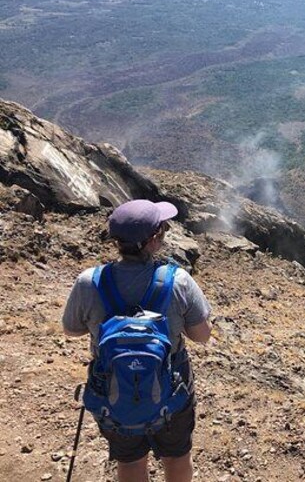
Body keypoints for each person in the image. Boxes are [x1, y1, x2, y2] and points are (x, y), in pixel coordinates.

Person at [63, 199, 213, 482]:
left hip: (113, 388)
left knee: (129, 460)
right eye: (163, 229)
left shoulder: (88, 282)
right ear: (153, 240)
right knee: (177, 456)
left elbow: (71, 330)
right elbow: (202, 336)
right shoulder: (177, 281)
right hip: (172, 386)